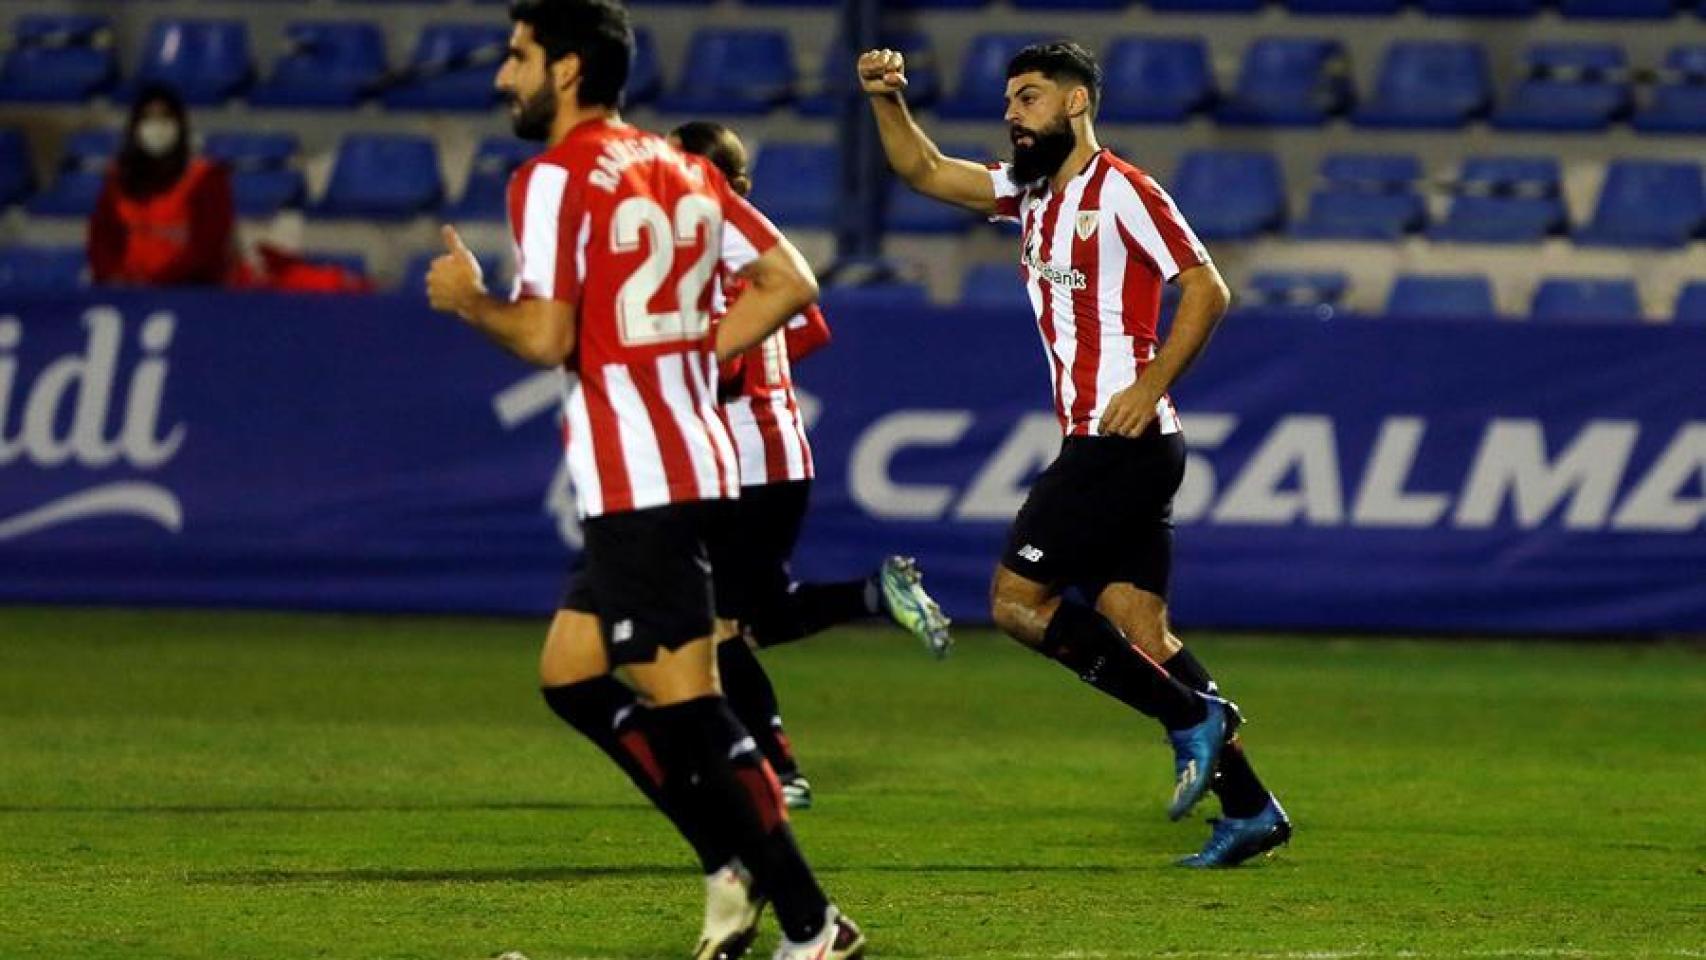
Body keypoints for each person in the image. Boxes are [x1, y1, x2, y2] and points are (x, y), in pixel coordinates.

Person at [425, 2, 864, 958]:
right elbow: (791, 280)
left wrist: (469, 303)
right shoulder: (686, 170)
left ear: (569, 69)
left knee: (693, 707)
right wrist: (690, 358)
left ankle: (808, 916)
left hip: (641, 476)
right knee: (572, 673)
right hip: (693, 457)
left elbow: (545, 336)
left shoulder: (550, 180)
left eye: (519, 56)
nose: (505, 77)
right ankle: (734, 868)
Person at [860, 41, 1291, 868]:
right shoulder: (1027, 193)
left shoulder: (1124, 192)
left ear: (1075, 104)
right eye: (1009, 103)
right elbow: (922, 170)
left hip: (1118, 439)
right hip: (1122, 444)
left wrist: (1150, 380)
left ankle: (1193, 718)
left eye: (1028, 99)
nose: (1013, 117)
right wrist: (886, 97)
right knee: (1141, 631)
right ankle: (1250, 807)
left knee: (1017, 603)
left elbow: (1207, 288)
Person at [668, 119, 954, 813]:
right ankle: (871, 595)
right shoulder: (757, 255)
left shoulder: (712, 260)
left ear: (734, 188)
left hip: (743, 464)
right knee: (757, 615)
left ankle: (777, 771)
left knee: (714, 629)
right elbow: (811, 328)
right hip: (775, 455)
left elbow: (724, 367)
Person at [88, 84, 236, 287]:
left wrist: (157, 283)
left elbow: (207, 247)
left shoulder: (206, 178)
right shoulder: (118, 177)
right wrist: (114, 277)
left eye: (165, 117)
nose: (156, 126)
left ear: (179, 124)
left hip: (188, 294)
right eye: (147, 118)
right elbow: (101, 240)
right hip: (126, 294)